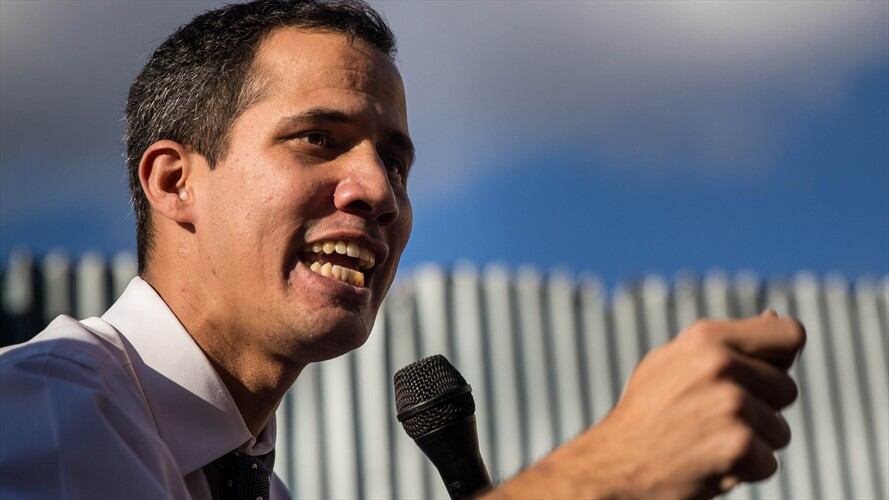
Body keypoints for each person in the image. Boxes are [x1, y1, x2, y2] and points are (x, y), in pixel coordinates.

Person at [0, 1, 805, 499]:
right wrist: (610, 474)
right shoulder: (49, 413)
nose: (379, 191)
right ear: (175, 182)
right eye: (318, 139)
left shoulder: (258, 490)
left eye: (394, 160)